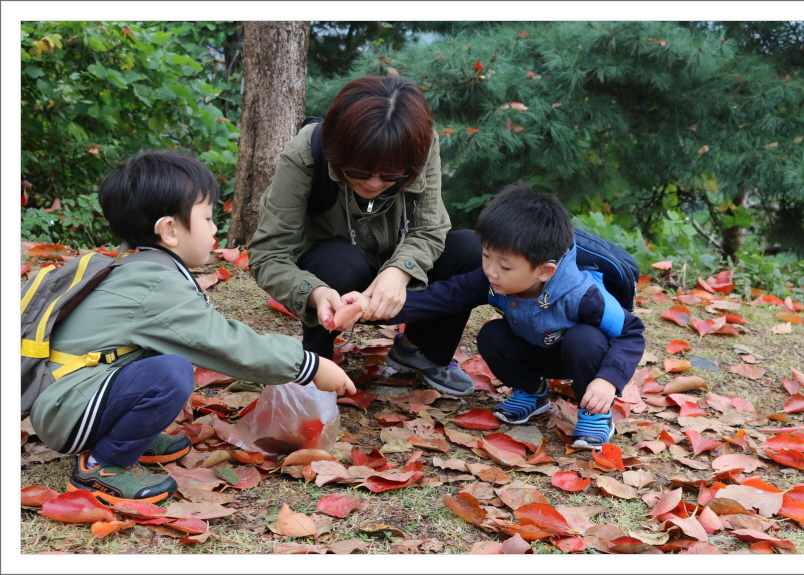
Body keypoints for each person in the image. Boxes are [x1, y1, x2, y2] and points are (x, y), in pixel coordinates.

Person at [28, 150, 356, 505]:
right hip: (69, 412)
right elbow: (223, 342)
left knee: (167, 358)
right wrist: (308, 365)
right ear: (169, 230)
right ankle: (102, 464)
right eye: (207, 217)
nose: (216, 228)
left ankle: (127, 437)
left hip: (72, 399)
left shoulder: (139, 267)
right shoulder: (153, 283)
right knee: (170, 372)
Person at [337, 182, 645, 450]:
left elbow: (631, 332)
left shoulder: (582, 295)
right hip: (535, 348)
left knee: (585, 340)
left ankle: (595, 415)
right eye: (486, 255)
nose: (491, 270)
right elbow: (442, 297)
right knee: (492, 335)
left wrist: (607, 380)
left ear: (544, 270)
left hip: (582, 358)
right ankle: (532, 393)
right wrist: (369, 308)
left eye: (505, 266)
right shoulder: (493, 281)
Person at [249, 75, 482, 397]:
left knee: (471, 249)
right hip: (336, 282)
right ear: (336, 151)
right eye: (358, 172)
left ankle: (420, 352)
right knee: (336, 264)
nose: (373, 184)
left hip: (402, 284)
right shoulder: (306, 151)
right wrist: (314, 293)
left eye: (391, 176)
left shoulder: (421, 144)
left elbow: (430, 228)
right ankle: (317, 359)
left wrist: (399, 272)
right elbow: (268, 254)